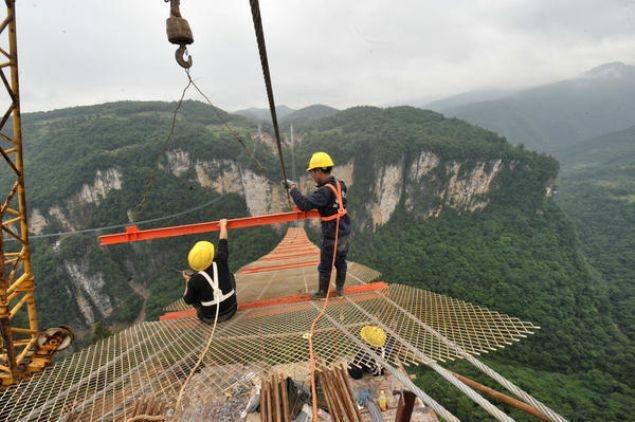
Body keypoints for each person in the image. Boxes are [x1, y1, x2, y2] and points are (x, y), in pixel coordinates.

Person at [286, 152, 352, 299]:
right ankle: (340, 290)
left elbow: (304, 205)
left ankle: (322, 293)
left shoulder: (324, 192)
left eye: (312, 172)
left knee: (325, 265)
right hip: (345, 232)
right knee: (340, 261)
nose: (312, 176)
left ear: (318, 171)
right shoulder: (341, 184)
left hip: (332, 235)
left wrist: (293, 189)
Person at [182, 218, 237, 324]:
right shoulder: (221, 261)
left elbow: (187, 300)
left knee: (194, 293)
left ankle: (206, 310)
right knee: (230, 275)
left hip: (209, 318)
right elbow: (223, 241)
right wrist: (223, 226)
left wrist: (188, 281)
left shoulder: (194, 280)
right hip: (231, 310)